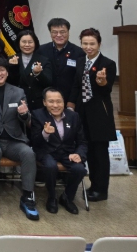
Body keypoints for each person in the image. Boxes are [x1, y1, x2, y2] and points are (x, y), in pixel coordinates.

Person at [0, 58, 39, 220]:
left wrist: (24, 114)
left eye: (2, 70)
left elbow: (27, 120)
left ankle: (27, 197)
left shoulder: (18, 92)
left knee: (28, 153)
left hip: (13, 139)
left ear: (7, 73)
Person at [67, 28, 117, 202]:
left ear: (99, 44)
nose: (88, 47)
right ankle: (92, 185)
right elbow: (76, 85)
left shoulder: (108, 64)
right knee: (87, 149)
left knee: (100, 154)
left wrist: (101, 82)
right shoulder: (81, 61)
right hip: (82, 112)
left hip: (99, 114)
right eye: (85, 43)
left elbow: (107, 89)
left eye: (92, 44)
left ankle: (101, 190)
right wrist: (70, 105)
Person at [31, 87, 87, 215]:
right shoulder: (37, 115)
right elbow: (35, 142)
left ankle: (67, 197)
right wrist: (45, 133)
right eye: (51, 101)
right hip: (46, 151)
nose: (55, 105)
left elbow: (82, 141)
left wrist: (78, 154)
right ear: (44, 102)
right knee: (50, 166)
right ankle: (52, 197)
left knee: (79, 169)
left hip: (67, 152)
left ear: (64, 102)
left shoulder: (73, 116)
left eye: (59, 101)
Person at [38, 18, 85, 104]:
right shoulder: (41, 50)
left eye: (62, 32)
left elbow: (79, 80)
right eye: (54, 32)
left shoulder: (79, 52)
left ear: (68, 32)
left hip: (69, 98)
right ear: (50, 33)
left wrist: (72, 101)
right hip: (46, 98)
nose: (59, 35)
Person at [7, 30, 52, 111]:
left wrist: (38, 74)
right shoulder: (11, 59)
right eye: (24, 42)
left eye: (30, 42)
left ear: (35, 43)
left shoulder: (44, 60)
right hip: (16, 100)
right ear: (18, 43)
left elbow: (49, 83)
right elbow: (8, 82)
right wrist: (13, 68)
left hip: (37, 103)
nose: (27, 45)